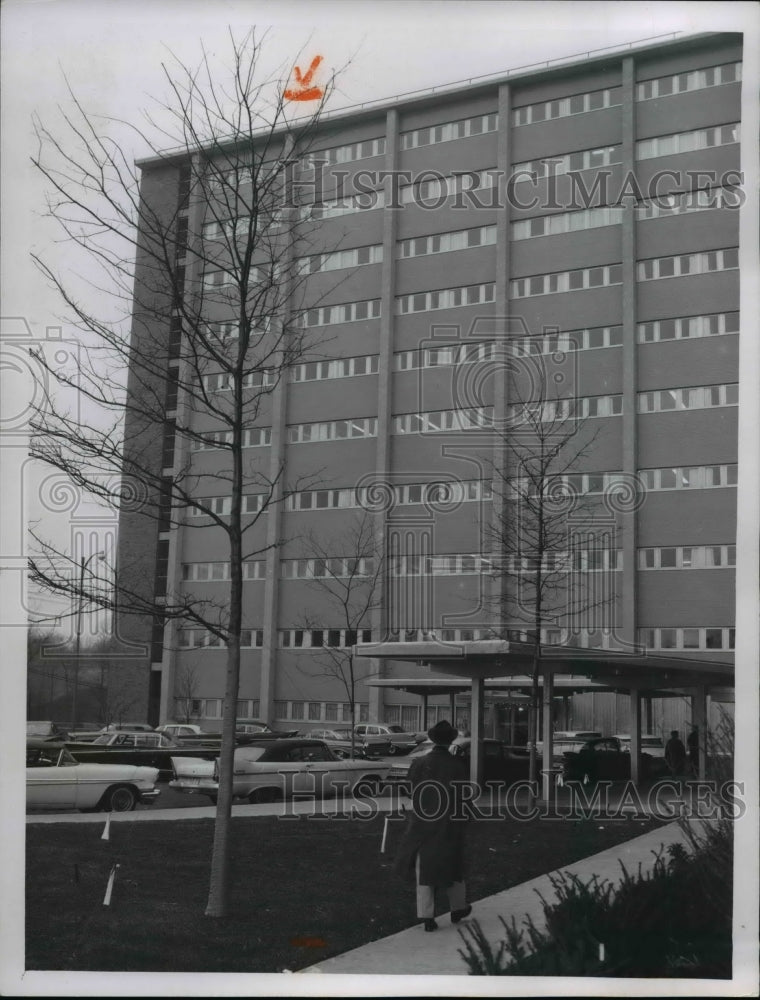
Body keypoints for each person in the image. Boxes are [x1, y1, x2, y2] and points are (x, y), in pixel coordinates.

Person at [393, 719, 473, 932]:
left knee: (424, 870)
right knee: (454, 867)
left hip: (422, 824)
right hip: (449, 823)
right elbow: (463, 795)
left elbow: (409, 790)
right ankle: (458, 908)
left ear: (433, 739)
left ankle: (427, 916)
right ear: (450, 741)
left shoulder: (419, 764)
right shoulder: (457, 765)